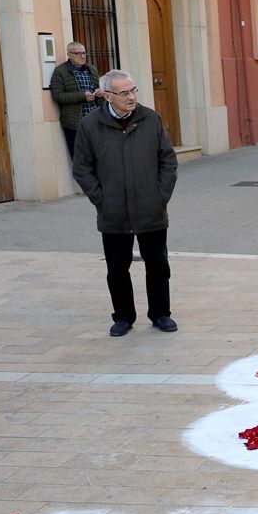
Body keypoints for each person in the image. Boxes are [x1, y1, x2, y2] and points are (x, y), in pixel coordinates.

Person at [71, 70, 179, 337]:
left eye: (133, 90)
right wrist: (102, 200)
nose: (131, 97)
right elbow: (82, 169)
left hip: (150, 210)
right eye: (124, 93)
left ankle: (161, 314)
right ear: (107, 96)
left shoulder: (150, 119)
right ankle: (122, 317)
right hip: (113, 213)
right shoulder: (90, 125)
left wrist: (159, 196)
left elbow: (168, 161)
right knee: (117, 269)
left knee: (157, 265)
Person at [48, 42, 102, 157]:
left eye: (84, 53)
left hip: (95, 121)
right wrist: (82, 96)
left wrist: (100, 93)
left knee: (99, 156)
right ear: (69, 55)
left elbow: (97, 89)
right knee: (79, 158)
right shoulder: (60, 72)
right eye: (78, 53)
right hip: (75, 124)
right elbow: (57, 96)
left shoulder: (92, 69)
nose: (83, 56)